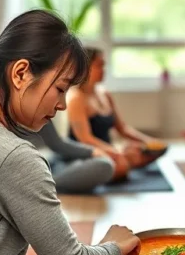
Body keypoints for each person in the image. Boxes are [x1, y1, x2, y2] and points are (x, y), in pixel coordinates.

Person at [0, 10, 140, 255]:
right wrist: (114, 247)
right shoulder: (13, 156)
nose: (62, 104)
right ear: (20, 74)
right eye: (60, 88)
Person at [67, 47, 166, 180]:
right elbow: (85, 139)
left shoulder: (105, 94)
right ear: (85, 68)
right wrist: (117, 152)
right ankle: (121, 165)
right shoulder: (76, 99)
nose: (104, 70)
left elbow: (122, 128)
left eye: (104, 65)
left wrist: (150, 142)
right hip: (88, 154)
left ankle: (124, 163)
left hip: (109, 151)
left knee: (144, 152)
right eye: (99, 66)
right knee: (122, 165)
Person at [27, 120, 115, 193]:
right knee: (105, 166)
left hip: (53, 162)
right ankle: (43, 185)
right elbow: (85, 138)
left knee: (104, 164)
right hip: (36, 171)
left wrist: (92, 152)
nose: (62, 106)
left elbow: (57, 144)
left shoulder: (40, 112)